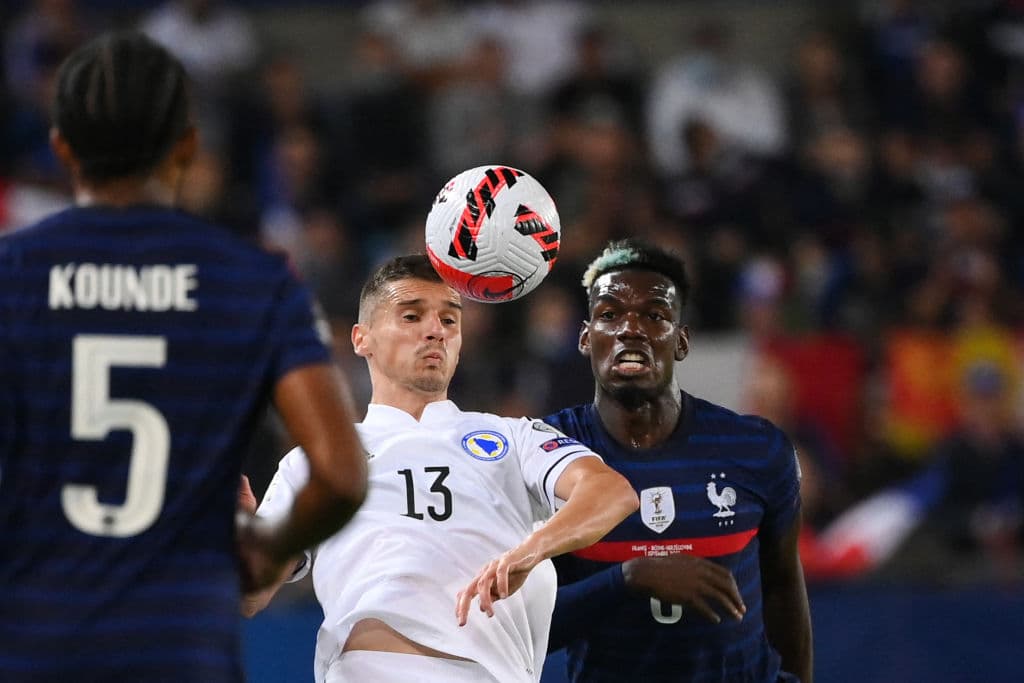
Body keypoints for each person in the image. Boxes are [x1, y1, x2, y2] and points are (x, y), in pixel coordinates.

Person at [0, 32, 368, 682]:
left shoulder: (12, 274)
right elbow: (339, 474)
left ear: (62, 147)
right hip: (181, 648)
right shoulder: (256, 282)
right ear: (187, 145)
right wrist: (265, 550)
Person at [242, 254, 638, 683]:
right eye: (411, 316)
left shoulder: (514, 436)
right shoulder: (316, 458)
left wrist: (534, 549)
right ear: (362, 338)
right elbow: (251, 595)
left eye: (450, 321)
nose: (435, 330)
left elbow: (610, 492)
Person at [543, 238, 813, 682]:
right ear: (585, 339)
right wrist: (627, 579)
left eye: (655, 315)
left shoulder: (757, 449)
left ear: (681, 341)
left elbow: (784, 587)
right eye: (610, 314)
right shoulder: (546, 453)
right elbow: (522, 623)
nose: (631, 328)